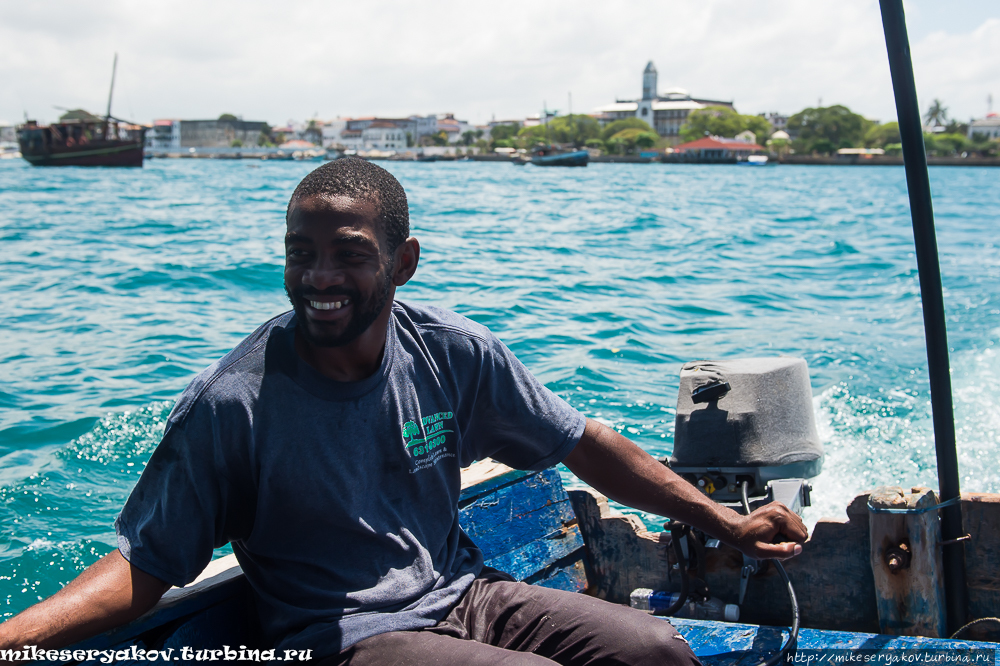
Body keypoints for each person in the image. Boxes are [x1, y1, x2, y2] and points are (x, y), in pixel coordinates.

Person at [0, 159, 807, 665]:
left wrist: (723, 524)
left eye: (349, 253)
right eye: (300, 253)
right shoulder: (230, 404)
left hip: (466, 595)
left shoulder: (452, 351)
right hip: (346, 637)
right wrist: (12, 641)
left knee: (659, 648)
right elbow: (147, 565)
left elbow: (583, 444)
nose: (319, 277)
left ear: (403, 262)